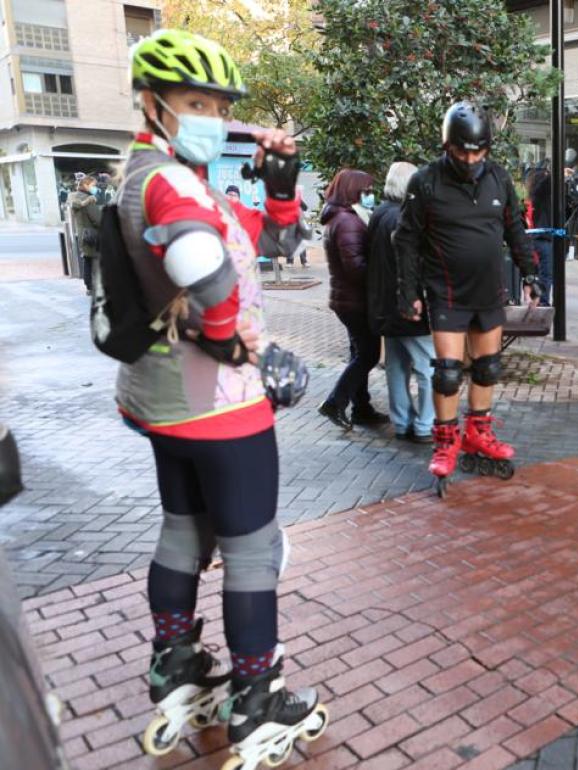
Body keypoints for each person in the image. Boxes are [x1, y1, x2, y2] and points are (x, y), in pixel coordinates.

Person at [123, 29, 324, 764]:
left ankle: (174, 662)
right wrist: (230, 339)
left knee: (183, 531)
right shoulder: (171, 182)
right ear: (153, 103)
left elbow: (262, 240)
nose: (208, 113)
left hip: (163, 401)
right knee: (252, 551)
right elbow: (206, 269)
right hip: (219, 403)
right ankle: (257, 695)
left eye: (216, 103)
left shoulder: (157, 171)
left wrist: (278, 185)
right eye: (193, 101)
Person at [393, 101, 541, 492]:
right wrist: (408, 292)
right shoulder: (426, 182)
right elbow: (405, 240)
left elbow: (515, 231)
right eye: (462, 151)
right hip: (446, 294)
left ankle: (478, 433)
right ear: (448, 147)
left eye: (478, 151)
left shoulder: (499, 178)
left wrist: (531, 274)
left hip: (488, 293)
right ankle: (445, 443)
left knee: (489, 367)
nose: (471, 158)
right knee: (446, 372)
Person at [367, 161, 434, 444]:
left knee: (396, 367)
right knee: (429, 368)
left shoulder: (379, 215)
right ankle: (425, 424)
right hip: (408, 306)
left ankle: (403, 421)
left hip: (383, 304)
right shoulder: (404, 218)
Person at [317, 169, 387, 430]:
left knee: (358, 352)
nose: (370, 195)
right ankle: (335, 403)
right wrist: (380, 276)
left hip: (346, 299)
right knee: (368, 355)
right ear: (353, 190)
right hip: (354, 300)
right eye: (367, 190)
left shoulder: (338, 217)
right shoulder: (347, 221)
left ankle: (362, 407)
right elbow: (356, 267)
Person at [525, 162, 555, 306]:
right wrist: (557, 171)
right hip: (542, 239)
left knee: (546, 273)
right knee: (546, 273)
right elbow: (547, 183)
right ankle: (542, 301)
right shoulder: (539, 193)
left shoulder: (540, 196)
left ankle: (539, 298)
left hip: (545, 238)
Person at [68, 173, 102, 295]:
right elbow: (97, 219)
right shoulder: (88, 200)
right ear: (86, 185)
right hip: (92, 235)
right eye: (93, 185)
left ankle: (89, 287)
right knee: (95, 261)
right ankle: (95, 287)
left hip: (83, 234)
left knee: (88, 260)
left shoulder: (75, 196)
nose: (95, 187)